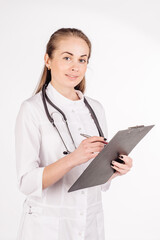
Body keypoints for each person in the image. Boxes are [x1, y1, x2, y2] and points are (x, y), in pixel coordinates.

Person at [15, 28, 132, 240]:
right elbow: (27, 182)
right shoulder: (31, 109)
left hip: (89, 223)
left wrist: (115, 169)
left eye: (82, 60)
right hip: (46, 226)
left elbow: (98, 180)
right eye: (67, 57)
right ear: (48, 60)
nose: (75, 67)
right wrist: (73, 159)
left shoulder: (96, 109)